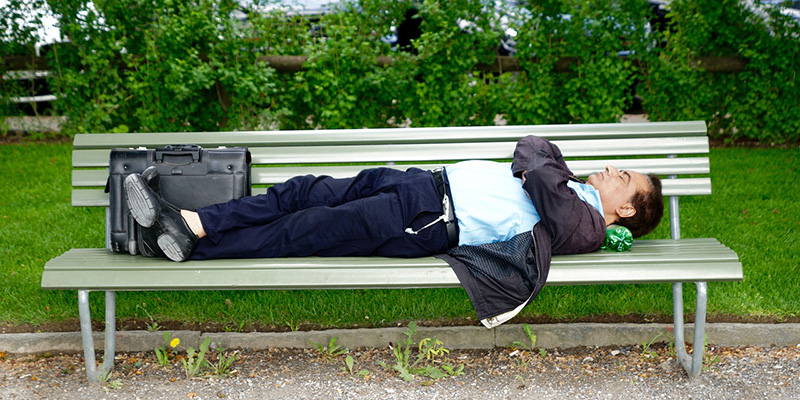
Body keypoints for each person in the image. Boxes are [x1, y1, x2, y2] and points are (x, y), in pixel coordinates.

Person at [124, 135, 663, 327]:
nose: (611, 170)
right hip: (421, 183)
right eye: (619, 168)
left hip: (426, 219)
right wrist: (540, 170)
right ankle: (193, 223)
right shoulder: (568, 187)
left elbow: (538, 169)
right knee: (303, 192)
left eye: (623, 178)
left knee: (305, 229)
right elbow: (532, 146)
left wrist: (541, 172)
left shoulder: (586, 224)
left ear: (625, 211)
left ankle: (185, 245)